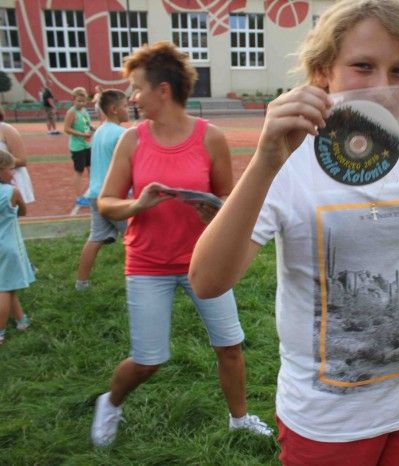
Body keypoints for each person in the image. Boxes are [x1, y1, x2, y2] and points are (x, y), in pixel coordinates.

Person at [189, 1, 399, 464]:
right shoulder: (287, 161)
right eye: (362, 66)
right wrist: (266, 162)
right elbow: (207, 281)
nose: (381, 84)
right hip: (326, 423)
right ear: (322, 72)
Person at [90, 42, 271, 447]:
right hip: (147, 264)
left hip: (203, 262)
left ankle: (240, 419)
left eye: (137, 88)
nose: (133, 98)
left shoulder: (211, 138)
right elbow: (106, 202)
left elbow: (227, 199)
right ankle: (110, 403)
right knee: (148, 360)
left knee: (230, 346)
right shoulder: (132, 140)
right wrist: (137, 204)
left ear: (163, 90)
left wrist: (214, 213)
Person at [75, 90, 129, 291]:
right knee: (134, 238)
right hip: (115, 196)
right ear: (114, 109)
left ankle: (81, 283)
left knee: (95, 238)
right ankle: (144, 279)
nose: (128, 109)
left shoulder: (99, 131)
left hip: (95, 194)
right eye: (125, 106)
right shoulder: (122, 134)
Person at [0, 149, 33, 345]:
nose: (13, 172)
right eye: (10, 169)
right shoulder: (12, 192)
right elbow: (23, 211)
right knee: (6, 288)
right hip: (7, 245)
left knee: (8, 282)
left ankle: (21, 320)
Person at [64, 87, 94, 207]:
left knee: (91, 168)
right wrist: (82, 134)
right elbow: (66, 129)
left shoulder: (84, 111)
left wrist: (92, 128)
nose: (81, 103)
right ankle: (79, 197)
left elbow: (86, 124)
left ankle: (92, 192)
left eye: (83, 101)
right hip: (78, 147)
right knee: (79, 171)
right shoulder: (71, 112)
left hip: (87, 144)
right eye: (79, 101)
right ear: (73, 100)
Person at [0, 108, 35, 206]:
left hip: (10, 180)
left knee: (9, 214)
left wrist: (2, 160)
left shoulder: (6, 129)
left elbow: (22, 160)